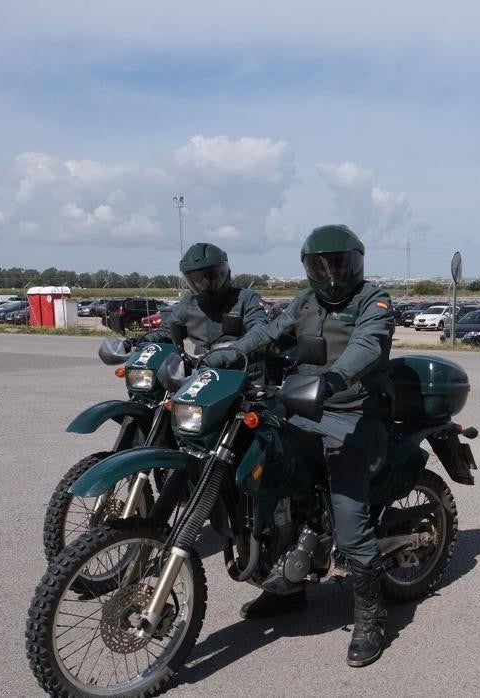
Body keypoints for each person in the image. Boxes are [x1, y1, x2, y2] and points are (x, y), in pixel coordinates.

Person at [203, 224, 395, 668]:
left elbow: (367, 346)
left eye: (338, 263)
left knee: (349, 510)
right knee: (266, 475)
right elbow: (269, 334)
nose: (330, 273)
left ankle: (370, 615)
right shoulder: (306, 301)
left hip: (353, 412)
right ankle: (285, 587)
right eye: (319, 265)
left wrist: (333, 380)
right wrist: (226, 354)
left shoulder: (374, 300)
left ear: (356, 261)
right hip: (299, 405)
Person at [139, 242, 268, 373]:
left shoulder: (246, 299)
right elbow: (168, 332)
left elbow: (259, 331)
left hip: (243, 373)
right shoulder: (188, 303)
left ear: (226, 274)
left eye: (212, 276)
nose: (205, 283)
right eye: (198, 279)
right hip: (202, 371)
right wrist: (143, 341)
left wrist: (228, 353)